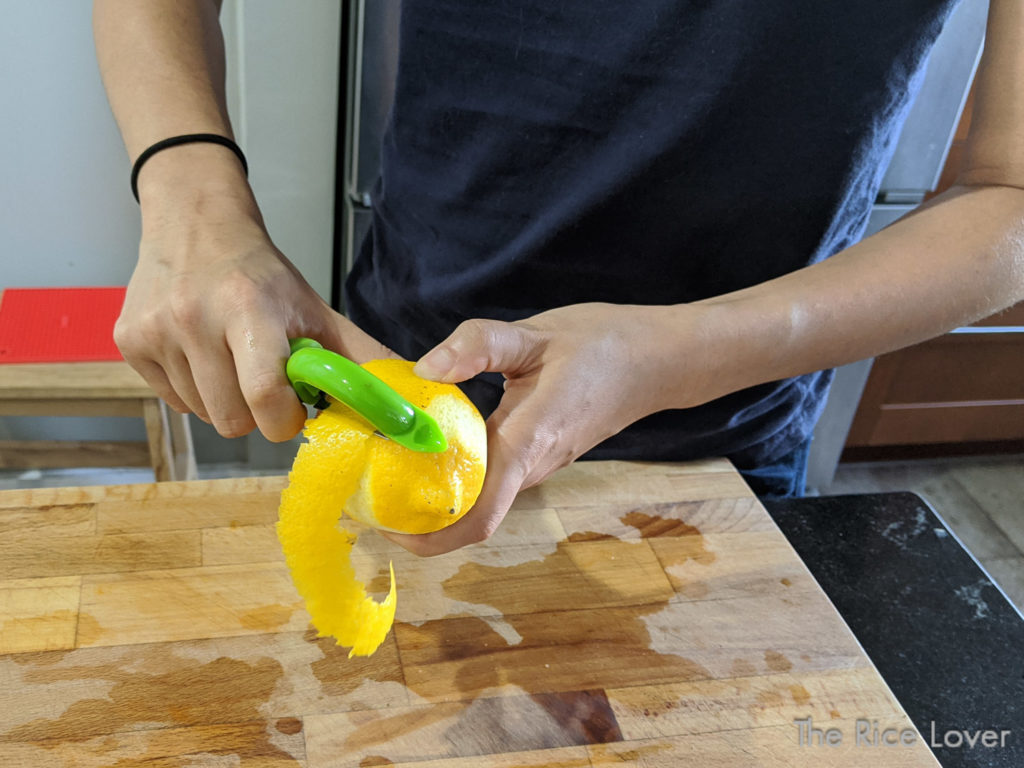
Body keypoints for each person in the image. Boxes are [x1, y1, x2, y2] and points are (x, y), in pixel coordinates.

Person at [94, 0, 1024, 556]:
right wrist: (192, 196)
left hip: (720, 425)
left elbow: (1011, 196)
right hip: (404, 368)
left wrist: (677, 353)